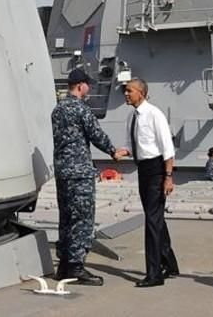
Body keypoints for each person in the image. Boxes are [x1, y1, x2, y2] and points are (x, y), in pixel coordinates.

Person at [51, 68, 124, 286]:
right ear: (81, 86)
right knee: (82, 219)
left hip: (63, 172)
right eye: (87, 85)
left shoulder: (57, 109)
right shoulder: (81, 109)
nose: (89, 89)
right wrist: (113, 151)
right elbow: (95, 134)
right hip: (79, 172)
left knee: (66, 217)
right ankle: (76, 267)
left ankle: (64, 265)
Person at [117, 77, 180, 287]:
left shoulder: (154, 115)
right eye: (125, 91)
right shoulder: (131, 117)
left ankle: (154, 274)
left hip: (156, 170)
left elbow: (167, 149)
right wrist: (121, 152)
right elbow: (131, 145)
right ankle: (170, 264)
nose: (126, 94)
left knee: (152, 221)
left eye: (129, 91)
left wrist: (168, 177)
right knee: (155, 218)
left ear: (141, 93)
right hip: (143, 169)